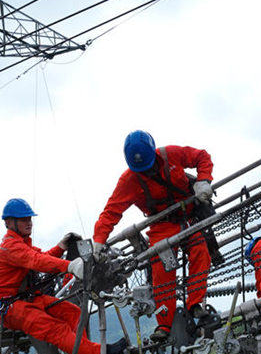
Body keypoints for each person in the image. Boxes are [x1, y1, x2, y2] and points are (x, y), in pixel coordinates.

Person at [92, 130, 214, 342]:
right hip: (161, 224)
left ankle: (195, 304)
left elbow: (201, 156)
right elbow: (111, 211)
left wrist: (204, 180)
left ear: (153, 155)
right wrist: (98, 240)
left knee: (200, 252)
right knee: (161, 269)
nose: (146, 171)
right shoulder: (129, 180)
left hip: (188, 216)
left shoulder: (171, 155)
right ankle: (164, 324)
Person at [0, 198, 127, 354]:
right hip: (10, 308)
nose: (29, 223)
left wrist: (61, 247)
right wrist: (69, 265)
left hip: (26, 300)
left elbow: (42, 256)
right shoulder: (10, 246)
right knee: (56, 329)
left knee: (74, 313)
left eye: (29, 219)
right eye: (24, 219)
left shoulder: (21, 244)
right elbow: (36, 261)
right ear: (9, 222)